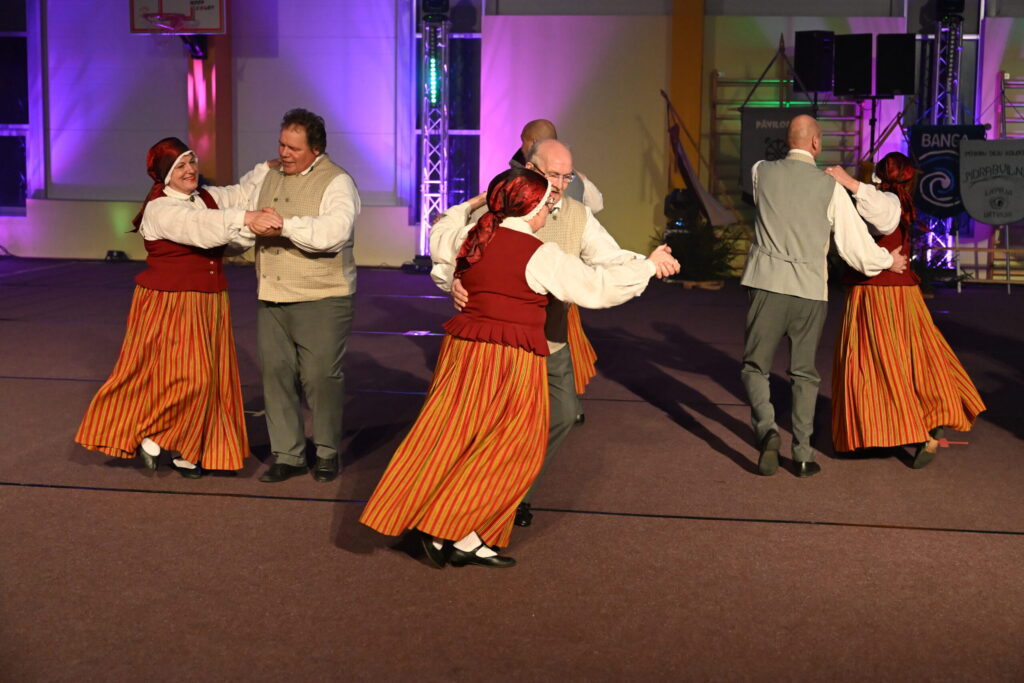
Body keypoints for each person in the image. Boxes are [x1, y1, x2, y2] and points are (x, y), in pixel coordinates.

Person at [360, 167, 678, 568]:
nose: (548, 212)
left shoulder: (474, 235)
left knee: (455, 439)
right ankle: (437, 529)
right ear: (531, 209)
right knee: (518, 450)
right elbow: (595, 288)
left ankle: (467, 537)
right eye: (545, 205)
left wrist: (474, 203)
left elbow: (441, 233)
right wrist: (648, 266)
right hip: (509, 358)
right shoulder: (538, 254)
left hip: (463, 353)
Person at [438, 139, 672, 527]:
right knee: (488, 426)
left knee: (561, 415)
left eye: (567, 176)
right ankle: (470, 508)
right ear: (530, 170)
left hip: (550, 338)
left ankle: (512, 493)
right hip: (502, 344)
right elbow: (453, 251)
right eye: (553, 175)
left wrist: (647, 264)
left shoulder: (577, 215)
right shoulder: (498, 211)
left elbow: (606, 260)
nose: (561, 185)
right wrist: (453, 283)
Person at [75, 137, 279, 477]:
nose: (190, 169)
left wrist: (267, 169)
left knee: (210, 380)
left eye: (192, 162)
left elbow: (239, 193)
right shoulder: (161, 208)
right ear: (165, 174)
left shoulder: (203, 197)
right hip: (171, 300)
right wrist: (248, 218)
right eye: (180, 165)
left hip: (209, 300)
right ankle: (154, 432)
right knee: (190, 377)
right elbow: (201, 227)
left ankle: (187, 450)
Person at [740, 115, 908, 478]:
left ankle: (767, 429)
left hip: (767, 283)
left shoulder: (760, 171)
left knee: (755, 367)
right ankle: (802, 454)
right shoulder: (829, 187)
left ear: (788, 140)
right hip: (810, 290)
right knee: (804, 373)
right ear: (816, 143)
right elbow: (854, 245)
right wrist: (887, 261)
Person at [824, 154, 985, 467]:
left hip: (878, 294)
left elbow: (881, 215)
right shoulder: (893, 200)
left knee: (877, 362)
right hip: (894, 292)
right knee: (909, 357)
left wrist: (849, 182)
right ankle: (896, 426)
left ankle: (918, 424)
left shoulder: (888, 200)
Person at [240, 108, 361, 484]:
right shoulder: (268, 176)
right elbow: (238, 210)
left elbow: (333, 233)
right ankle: (288, 453)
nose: (285, 153)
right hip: (273, 294)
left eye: (294, 148)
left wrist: (282, 225)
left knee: (320, 377)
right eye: (282, 144)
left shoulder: (337, 182)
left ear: (316, 150)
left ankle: (325, 451)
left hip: (322, 296)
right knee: (276, 374)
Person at [510, 121, 602, 424]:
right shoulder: (573, 180)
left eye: (565, 177)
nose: (560, 183)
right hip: (530, 304)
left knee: (557, 349)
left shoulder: (567, 192)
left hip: (554, 296)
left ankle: (560, 409)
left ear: (530, 142)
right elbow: (597, 203)